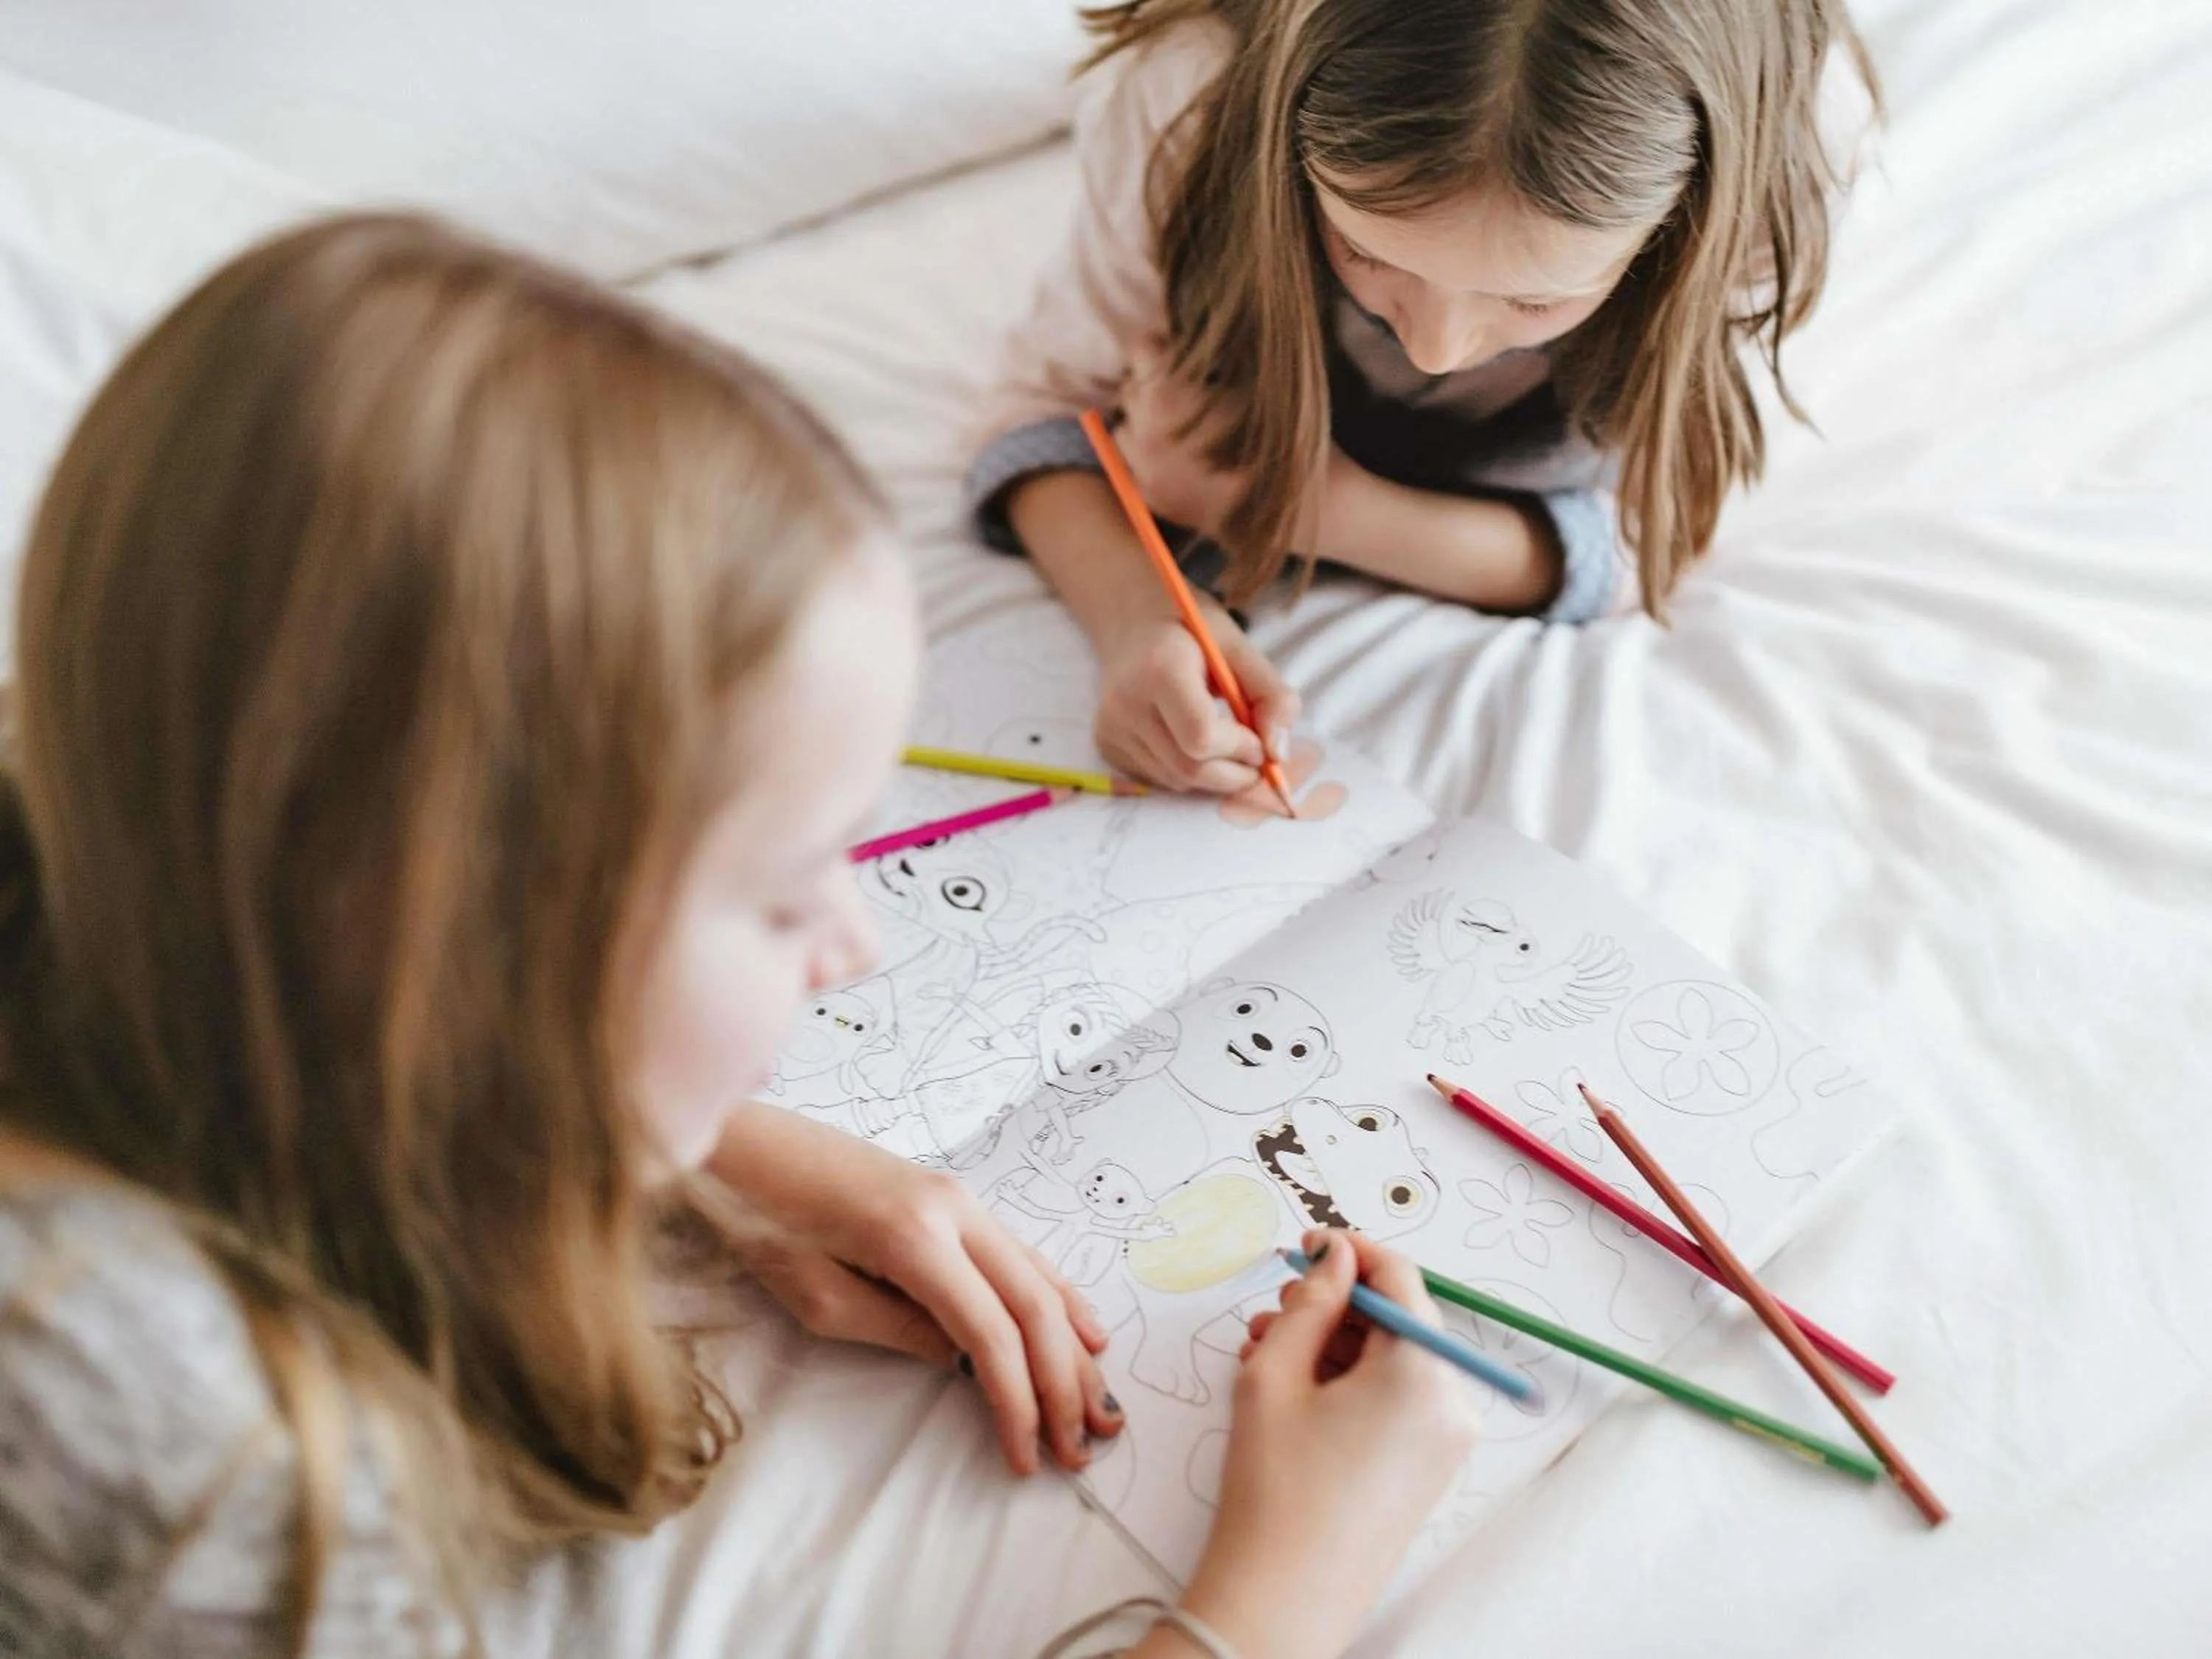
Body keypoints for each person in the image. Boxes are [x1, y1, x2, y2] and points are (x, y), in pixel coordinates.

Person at [0, 215, 1476, 1659]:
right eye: (781, 891)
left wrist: (705, 1149)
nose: (853, 945)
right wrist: (1277, 1593)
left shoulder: (94, 807)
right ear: (445, 939)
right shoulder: (189, 1466)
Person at [967, 0, 1874, 796]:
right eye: (1366, 251)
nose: (1438, 347)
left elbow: (1659, 532)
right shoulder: (1186, 96)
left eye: (1534, 299)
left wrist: (1306, 508)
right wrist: (1138, 618)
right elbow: (1042, 409)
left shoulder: (1786, 161)